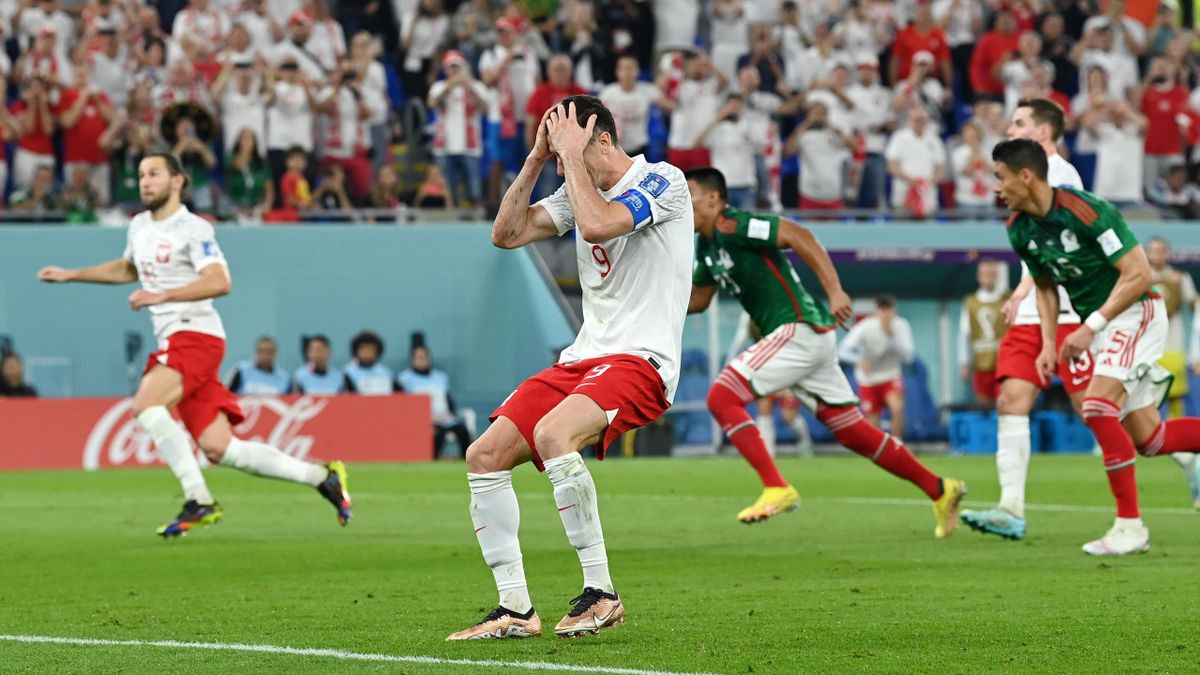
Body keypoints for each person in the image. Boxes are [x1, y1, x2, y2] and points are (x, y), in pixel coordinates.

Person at [446, 96, 692, 641]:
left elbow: (602, 225)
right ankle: (515, 608)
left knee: (555, 433)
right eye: (558, 157)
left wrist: (573, 160)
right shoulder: (570, 185)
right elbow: (505, 235)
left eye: (570, 151)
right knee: (483, 454)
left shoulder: (664, 181)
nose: (565, 166)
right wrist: (535, 159)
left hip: (641, 359)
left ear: (602, 138)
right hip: (584, 357)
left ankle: (601, 594)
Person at [36, 153, 351, 537]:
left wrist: (162, 296)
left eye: (154, 174)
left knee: (146, 404)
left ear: (177, 181)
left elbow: (220, 281)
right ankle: (322, 476)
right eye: (140, 175)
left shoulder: (193, 229)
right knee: (222, 449)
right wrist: (72, 275)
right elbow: (127, 269)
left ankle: (198, 499)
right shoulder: (138, 226)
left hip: (195, 335)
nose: (145, 181)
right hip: (177, 338)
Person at [687, 167, 965, 530]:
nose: (682, 200)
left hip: (798, 328)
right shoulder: (707, 246)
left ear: (713, 197)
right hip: (805, 341)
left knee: (721, 397)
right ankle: (940, 489)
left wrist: (835, 290)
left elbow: (798, 234)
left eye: (688, 192)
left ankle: (776, 486)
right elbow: (699, 299)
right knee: (853, 431)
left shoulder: (733, 224)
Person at [991, 138, 1200, 555]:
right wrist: (1049, 342)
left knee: (1096, 405)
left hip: (1135, 311)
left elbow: (1139, 274)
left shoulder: (1087, 211)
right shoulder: (1020, 228)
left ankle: (1130, 526)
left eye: (1000, 177)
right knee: (1151, 440)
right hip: (1102, 324)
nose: (995, 187)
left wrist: (1092, 326)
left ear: (1026, 176)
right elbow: (1046, 286)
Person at [960, 98, 1089, 541]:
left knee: (1094, 410)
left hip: (1069, 310)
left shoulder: (1063, 176)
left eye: (1019, 123)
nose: (1010, 128)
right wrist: (1020, 296)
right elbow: (1036, 254)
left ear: (1043, 133)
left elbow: (1062, 252)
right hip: (1033, 310)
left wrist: (1023, 293)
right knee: (1011, 401)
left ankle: (1186, 455)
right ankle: (1010, 508)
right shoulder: (1020, 179)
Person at [1145, 237, 1200, 508]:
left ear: (1168, 253)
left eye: (1162, 250)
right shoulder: (1138, 275)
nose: (1158, 254)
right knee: (1150, 404)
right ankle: (1177, 449)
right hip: (1147, 349)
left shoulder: (1181, 279)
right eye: (1153, 250)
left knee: (1175, 399)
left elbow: (1196, 308)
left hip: (1174, 346)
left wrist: (1196, 348)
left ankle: (1181, 447)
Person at [838, 295, 916, 440]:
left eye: (888, 311)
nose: (885, 315)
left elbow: (909, 356)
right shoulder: (865, 327)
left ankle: (897, 445)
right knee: (872, 420)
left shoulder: (901, 326)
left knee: (897, 409)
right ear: (876, 312)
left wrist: (892, 337)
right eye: (882, 311)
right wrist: (859, 360)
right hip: (868, 380)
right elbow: (842, 351)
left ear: (894, 311)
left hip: (890, 376)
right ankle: (878, 452)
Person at [398, 344, 470, 458]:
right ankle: (433, 462)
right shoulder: (404, 379)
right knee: (437, 434)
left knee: (462, 431)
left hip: (445, 417)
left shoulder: (440, 377)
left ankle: (466, 461)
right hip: (423, 420)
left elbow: (448, 398)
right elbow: (404, 404)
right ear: (412, 360)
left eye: (425, 357)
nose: (422, 361)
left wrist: (451, 413)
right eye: (419, 358)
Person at [958, 259, 1009, 406]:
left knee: (1004, 402)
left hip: (1004, 361)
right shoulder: (971, 302)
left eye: (991, 274)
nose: (988, 277)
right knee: (983, 405)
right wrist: (964, 362)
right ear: (978, 276)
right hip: (981, 362)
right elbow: (963, 335)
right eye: (984, 274)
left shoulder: (1007, 299)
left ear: (997, 276)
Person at [344, 331, 397, 395]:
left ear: (377, 352)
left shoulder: (387, 373)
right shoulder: (348, 373)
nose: (367, 353)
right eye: (363, 349)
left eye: (370, 350)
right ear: (356, 351)